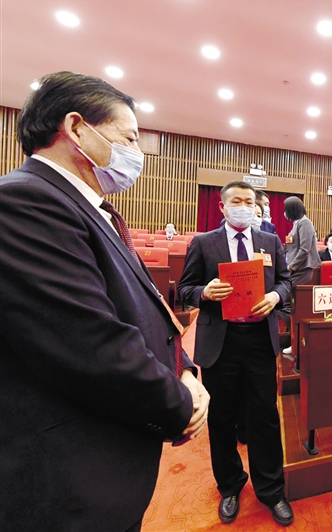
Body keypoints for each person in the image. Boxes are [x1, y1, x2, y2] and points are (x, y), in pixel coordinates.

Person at [0, 71, 209, 532]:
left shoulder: (87, 208)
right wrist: (181, 403)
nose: (136, 154)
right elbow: (89, 342)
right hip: (66, 482)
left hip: (105, 465)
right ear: (77, 129)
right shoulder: (26, 202)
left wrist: (185, 370)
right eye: (129, 138)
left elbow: (146, 308)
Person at [177, 180, 294, 526]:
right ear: (223, 207)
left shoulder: (270, 241)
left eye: (249, 201)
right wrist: (205, 292)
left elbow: (286, 282)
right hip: (221, 342)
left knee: (264, 416)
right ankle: (230, 485)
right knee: (222, 417)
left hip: (259, 340)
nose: (244, 207)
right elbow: (184, 289)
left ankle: (271, 490)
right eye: (236, 201)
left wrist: (275, 297)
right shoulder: (203, 243)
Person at [284, 196, 321, 286]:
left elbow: (304, 249)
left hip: (301, 269)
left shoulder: (305, 223)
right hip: (296, 268)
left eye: (286, 210)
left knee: (285, 289)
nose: (285, 212)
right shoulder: (297, 223)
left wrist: (291, 267)